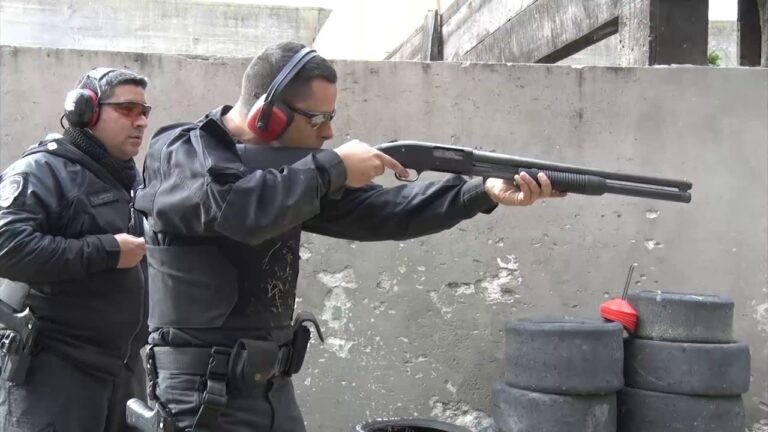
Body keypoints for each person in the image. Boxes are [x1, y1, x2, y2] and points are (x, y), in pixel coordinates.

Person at [135, 41, 565, 432]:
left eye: (331, 118)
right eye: (318, 119)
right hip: (201, 397)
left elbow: (380, 212)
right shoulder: (179, 149)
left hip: (271, 389)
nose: (328, 133)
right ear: (270, 116)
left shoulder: (295, 180)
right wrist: (332, 168)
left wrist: (479, 192)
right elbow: (232, 208)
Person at [0, 67, 151, 431]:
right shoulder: (42, 170)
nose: (141, 122)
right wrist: (107, 251)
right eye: (128, 109)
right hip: (55, 372)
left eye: (145, 112)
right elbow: (7, 246)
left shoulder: (132, 180)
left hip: (123, 370)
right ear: (87, 111)